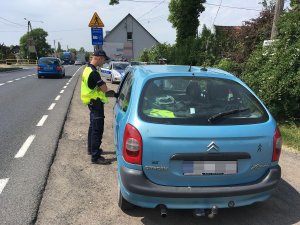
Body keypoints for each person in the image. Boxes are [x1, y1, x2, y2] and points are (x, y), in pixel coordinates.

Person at [81, 49, 113, 165]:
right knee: (97, 130)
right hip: (96, 104)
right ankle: (96, 157)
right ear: (99, 58)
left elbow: (96, 87)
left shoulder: (87, 69)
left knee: (92, 127)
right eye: (104, 60)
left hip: (91, 103)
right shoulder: (94, 72)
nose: (104, 62)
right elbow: (104, 89)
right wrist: (105, 88)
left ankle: (91, 149)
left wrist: (101, 86)